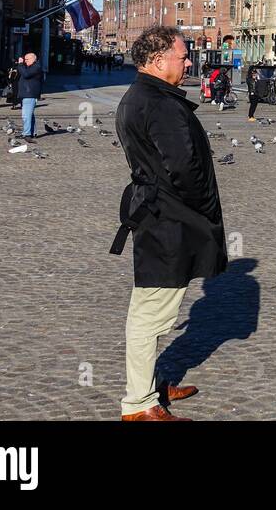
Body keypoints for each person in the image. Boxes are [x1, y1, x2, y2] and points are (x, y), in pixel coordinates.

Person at [112, 26, 226, 421]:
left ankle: (155, 382)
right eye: (182, 55)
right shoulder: (156, 102)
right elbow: (183, 168)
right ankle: (139, 404)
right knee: (149, 313)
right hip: (168, 219)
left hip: (162, 214)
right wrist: (207, 207)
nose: (189, 60)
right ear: (158, 61)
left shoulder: (143, 95)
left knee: (160, 309)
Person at [17, 52, 44, 139]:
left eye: (27, 59)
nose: (25, 61)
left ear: (33, 59)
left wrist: (21, 64)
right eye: (24, 60)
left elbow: (26, 74)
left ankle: (27, 134)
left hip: (30, 94)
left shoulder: (36, 67)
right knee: (30, 115)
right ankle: (32, 132)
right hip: (27, 93)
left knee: (26, 115)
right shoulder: (31, 67)